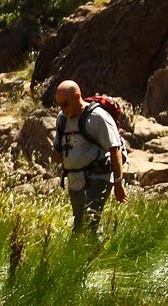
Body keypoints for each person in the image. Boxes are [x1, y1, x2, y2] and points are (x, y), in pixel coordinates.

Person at [51, 80, 126, 234]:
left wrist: (118, 183)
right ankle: (100, 248)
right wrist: (56, 155)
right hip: (75, 181)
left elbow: (115, 150)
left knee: (86, 226)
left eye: (65, 104)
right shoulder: (62, 119)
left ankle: (79, 249)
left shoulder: (98, 117)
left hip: (97, 179)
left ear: (77, 96)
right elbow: (57, 149)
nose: (62, 109)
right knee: (84, 226)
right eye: (59, 105)